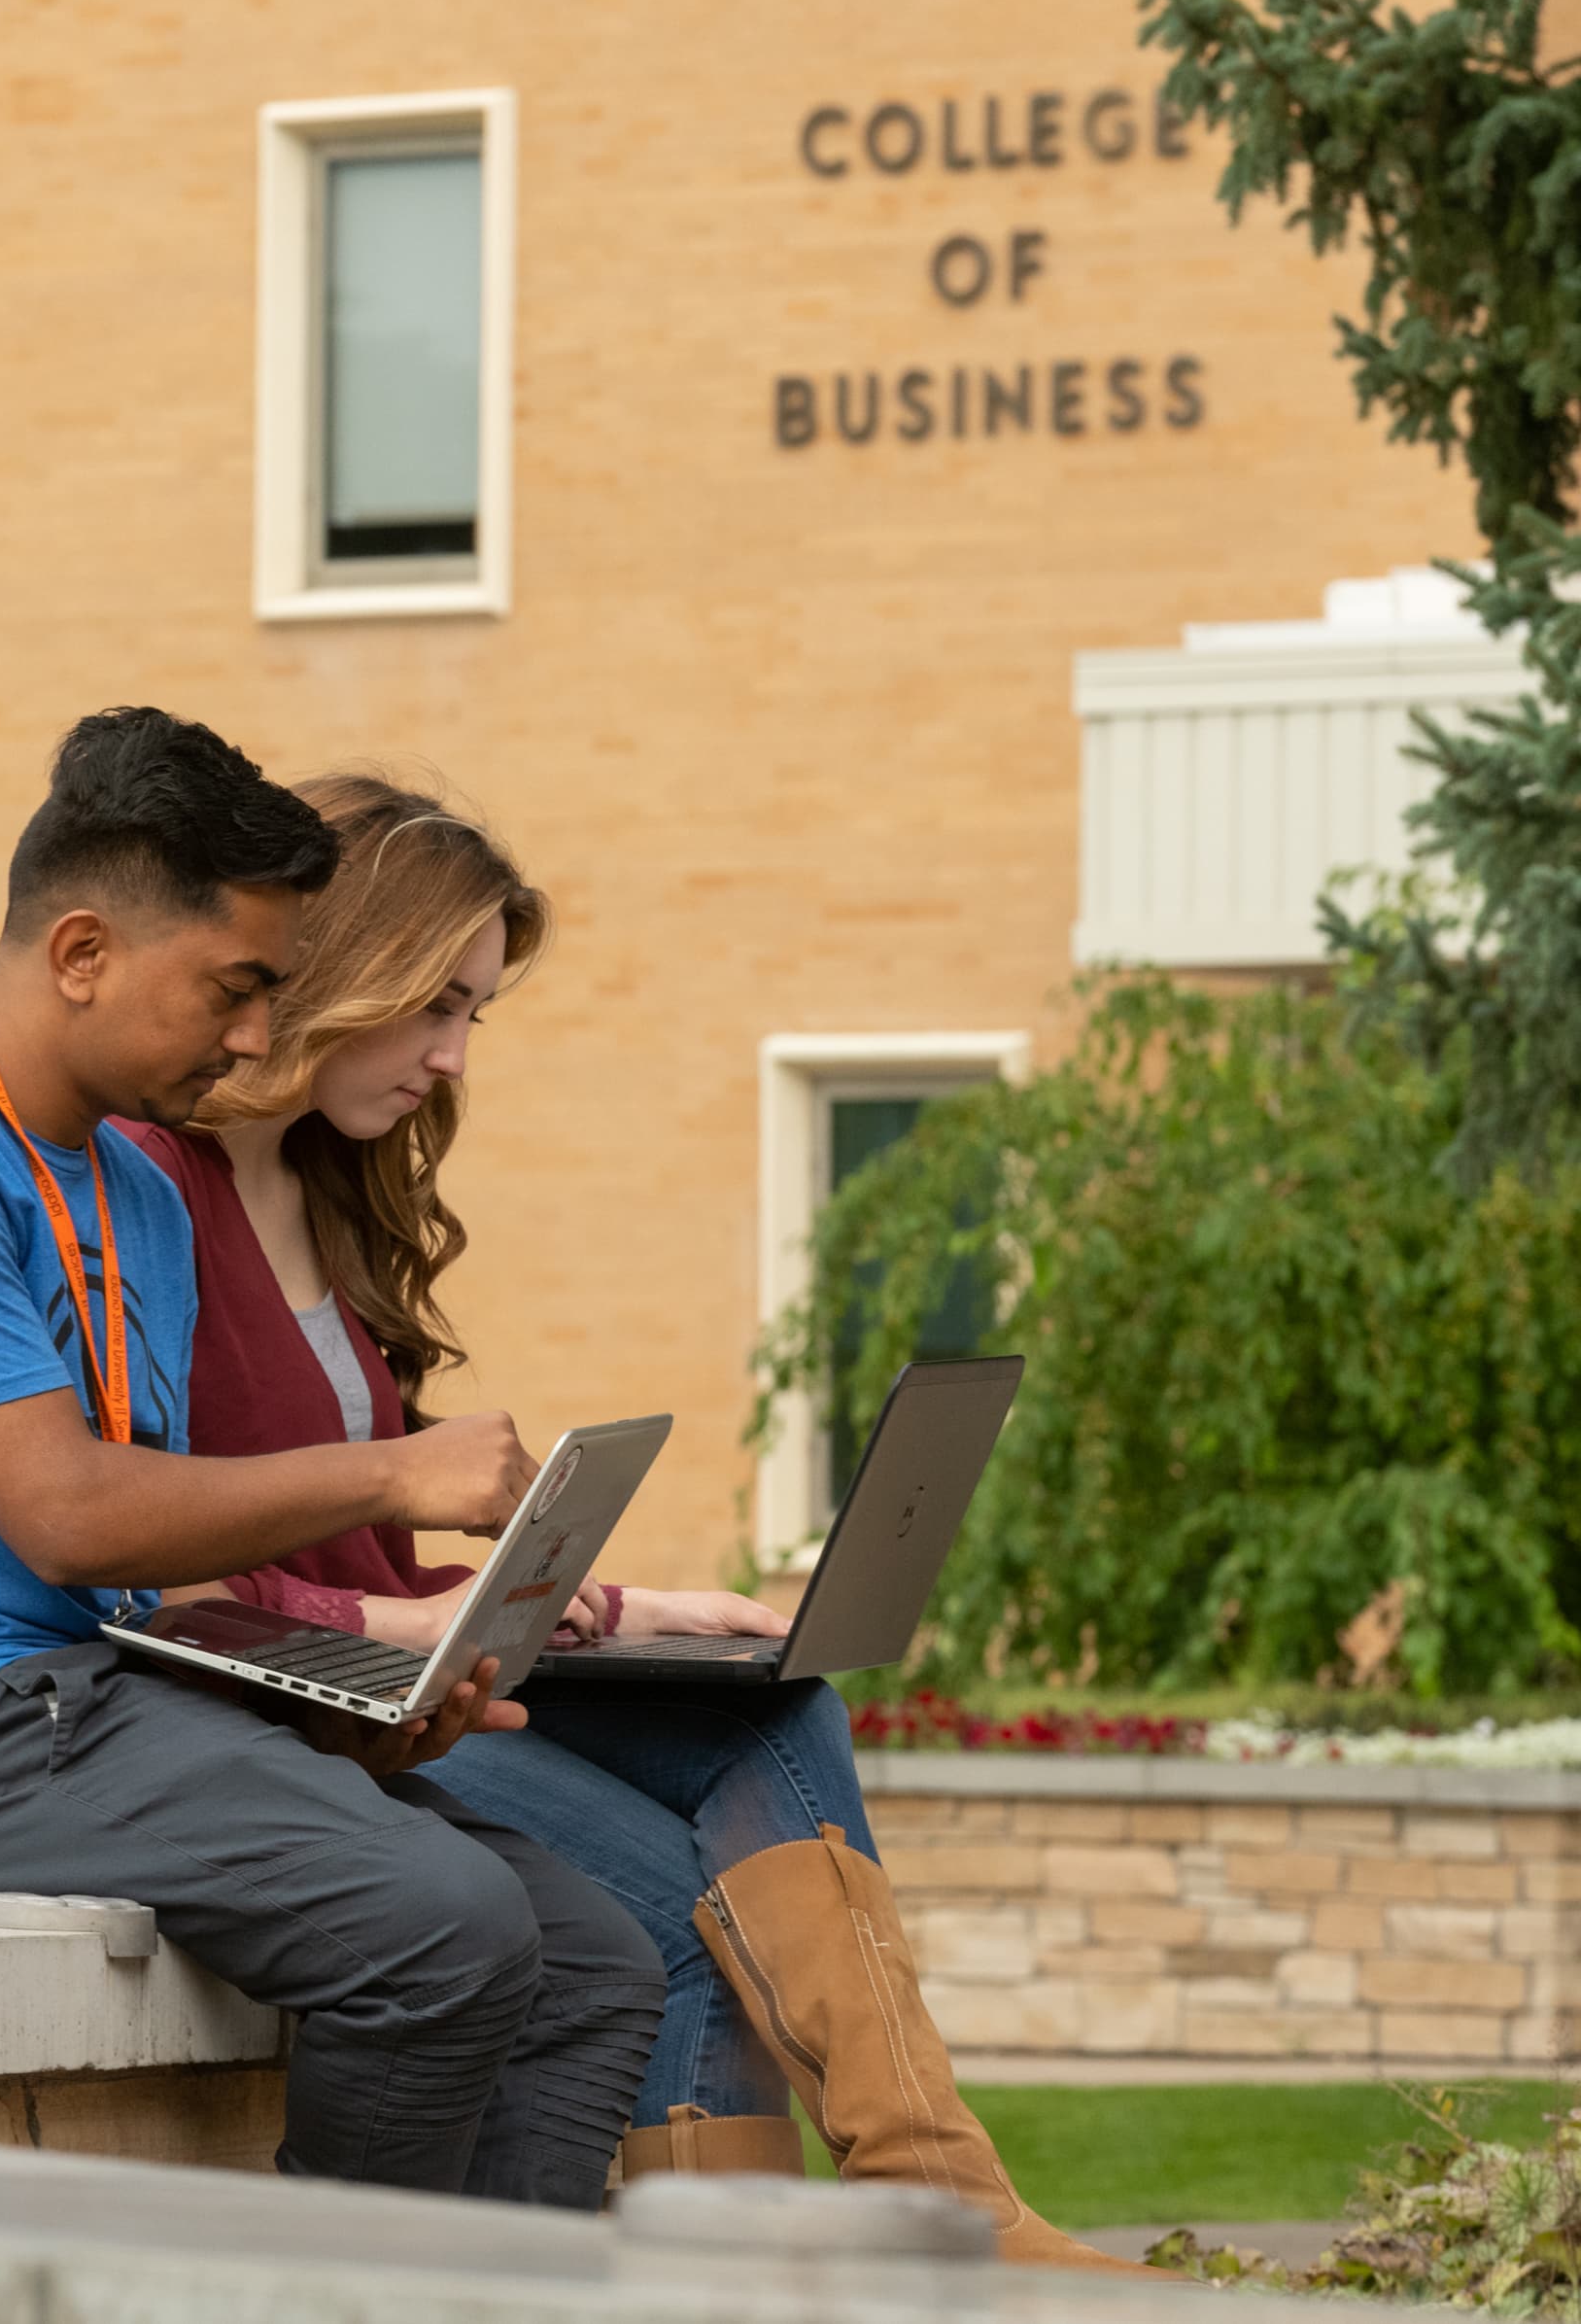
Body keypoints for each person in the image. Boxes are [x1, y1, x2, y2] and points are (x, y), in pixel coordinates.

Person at [116, 773, 1137, 2272]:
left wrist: (624, 1606)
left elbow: (379, 1548)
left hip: (413, 1662)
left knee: (778, 1707)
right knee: (668, 1906)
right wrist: (404, 1624)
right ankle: (749, 2271)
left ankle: (944, 2205)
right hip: (294, 1713)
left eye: (475, 1013)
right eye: (439, 1006)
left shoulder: (328, 1199)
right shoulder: (155, 1192)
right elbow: (169, 1557)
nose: (454, 1056)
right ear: (345, 972)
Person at [0, 708, 663, 2207]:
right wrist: (393, 1476)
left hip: (96, 1703)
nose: (256, 1037)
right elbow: (72, 1521)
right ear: (81, 952)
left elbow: (148, 1566)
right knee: (444, 1923)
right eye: (234, 988)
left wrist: (337, 1710)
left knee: (594, 1957)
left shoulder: (131, 1198)